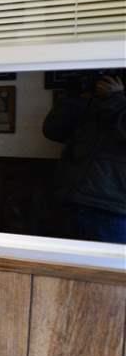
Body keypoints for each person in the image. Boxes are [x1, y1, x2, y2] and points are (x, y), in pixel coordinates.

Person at [41, 73, 126, 243]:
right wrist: (74, 96)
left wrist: (116, 98)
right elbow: (52, 130)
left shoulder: (118, 102)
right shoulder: (91, 102)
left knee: (105, 261)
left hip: (110, 207)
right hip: (69, 200)